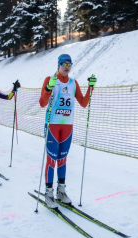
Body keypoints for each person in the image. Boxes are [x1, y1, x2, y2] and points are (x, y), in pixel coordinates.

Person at [39, 54, 97, 208]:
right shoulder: (50, 79)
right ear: (58, 65)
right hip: (52, 124)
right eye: (64, 63)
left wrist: (91, 88)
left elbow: (84, 103)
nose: (67, 66)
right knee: (51, 159)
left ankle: (61, 191)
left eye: (69, 64)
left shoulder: (73, 83)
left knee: (63, 159)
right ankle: (49, 192)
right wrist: (48, 88)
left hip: (67, 126)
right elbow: (42, 103)